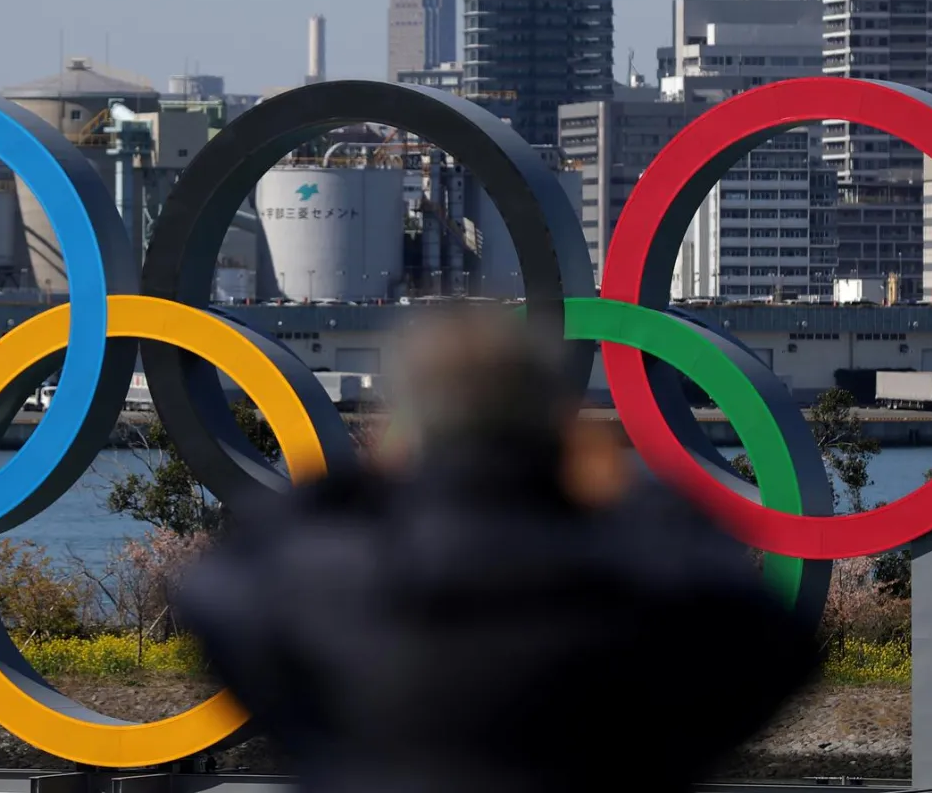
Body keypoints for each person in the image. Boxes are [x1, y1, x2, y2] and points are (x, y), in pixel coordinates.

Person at [175, 308, 819, 791]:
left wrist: (343, 491)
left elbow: (218, 596)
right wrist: (646, 503)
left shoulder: (337, 588)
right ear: (556, 421)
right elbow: (775, 648)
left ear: (412, 424)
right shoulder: (639, 592)